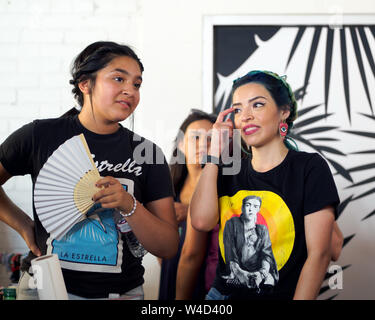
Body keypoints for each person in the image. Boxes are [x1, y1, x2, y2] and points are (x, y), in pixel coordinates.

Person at [0, 41, 179, 300]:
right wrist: (22, 224)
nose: (130, 90)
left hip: (121, 293)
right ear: (85, 84)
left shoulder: (148, 153)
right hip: (44, 288)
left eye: (137, 84)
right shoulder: (40, 136)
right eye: (119, 78)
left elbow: (168, 246)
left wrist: (129, 205)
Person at [190, 70, 342, 300]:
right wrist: (214, 153)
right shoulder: (228, 170)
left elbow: (320, 254)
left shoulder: (309, 167)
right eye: (238, 109)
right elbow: (201, 221)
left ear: (284, 112)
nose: (246, 116)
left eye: (257, 105)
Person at [159, 109, 217, 300]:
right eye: (196, 138)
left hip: (206, 287)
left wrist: (191, 211)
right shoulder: (170, 187)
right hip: (170, 277)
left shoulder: (222, 189)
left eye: (210, 139)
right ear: (182, 145)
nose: (203, 145)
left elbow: (194, 254)